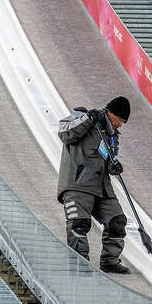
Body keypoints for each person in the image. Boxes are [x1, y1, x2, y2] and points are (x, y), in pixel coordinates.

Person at [57, 96, 132, 274]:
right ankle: (80, 263)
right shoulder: (82, 117)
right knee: (79, 224)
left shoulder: (112, 135)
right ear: (112, 113)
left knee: (117, 221)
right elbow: (65, 133)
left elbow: (108, 157)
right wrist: (89, 118)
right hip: (78, 184)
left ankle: (109, 261)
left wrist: (114, 165)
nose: (120, 124)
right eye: (120, 120)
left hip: (102, 186)